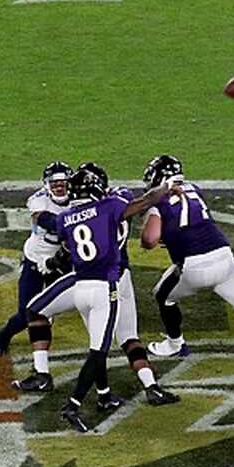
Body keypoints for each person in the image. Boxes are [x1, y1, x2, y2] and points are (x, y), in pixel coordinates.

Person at [51, 165, 168, 432]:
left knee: (97, 348)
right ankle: (72, 405)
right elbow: (146, 201)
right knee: (98, 352)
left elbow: (67, 248)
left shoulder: (64, 218)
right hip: (106, 287)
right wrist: (166, 188)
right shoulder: (110, 206)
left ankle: (102, 397)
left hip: (81, 288)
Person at [140, 155, 234, 357]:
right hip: (223, 256)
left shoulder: (158, 201)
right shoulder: (194, 189)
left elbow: (150, 239)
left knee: (163, 296)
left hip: (194, 265)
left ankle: (175, 344)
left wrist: (152, 230)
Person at [0, 161, 72, 357]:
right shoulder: (38, 200)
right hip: (36, 260)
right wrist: (74, 222)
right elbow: (46, 220)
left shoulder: (79, 199)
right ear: (46, 185)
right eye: (55, 183)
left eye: (63, 182)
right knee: (26, 313)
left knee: (75, 302)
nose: (60, 187)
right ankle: (3, 336)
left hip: (63, 261)